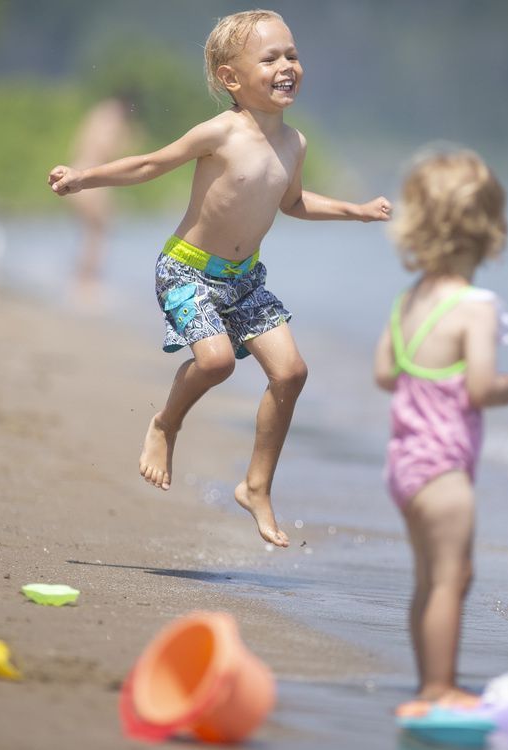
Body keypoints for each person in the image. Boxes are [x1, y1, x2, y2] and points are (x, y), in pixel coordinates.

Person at [48, 10, 391, 548]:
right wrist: (83, 179)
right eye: (271, 58)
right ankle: (165, 423)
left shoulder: (294, 143)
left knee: (292, 372)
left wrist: (357, 210)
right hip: (185, 269)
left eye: (293, 55)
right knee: (216, 362)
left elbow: (294, 201)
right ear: (231, 78)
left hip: (244, 279)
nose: (287, 66)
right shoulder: (221, 133)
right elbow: (150, 165)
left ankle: (256, 485)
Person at [373, 148, 508, 709]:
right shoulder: (475, 306)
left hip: (405, 467)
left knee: (430, 578)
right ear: (488, 231)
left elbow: (385, 372)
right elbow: (481, 387)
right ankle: (439, 686)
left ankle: (428, 679)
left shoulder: (407, 301)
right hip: (445, 471)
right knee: (452, 577)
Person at [66, 94, 138, 297]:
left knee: (89, 233)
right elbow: (105, 150)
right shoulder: (113, 118)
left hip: (77, 172)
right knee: (97, 235)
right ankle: (87, 284)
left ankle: (80, 280)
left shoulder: (97, 112)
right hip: (91, 181)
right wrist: (127, 142)